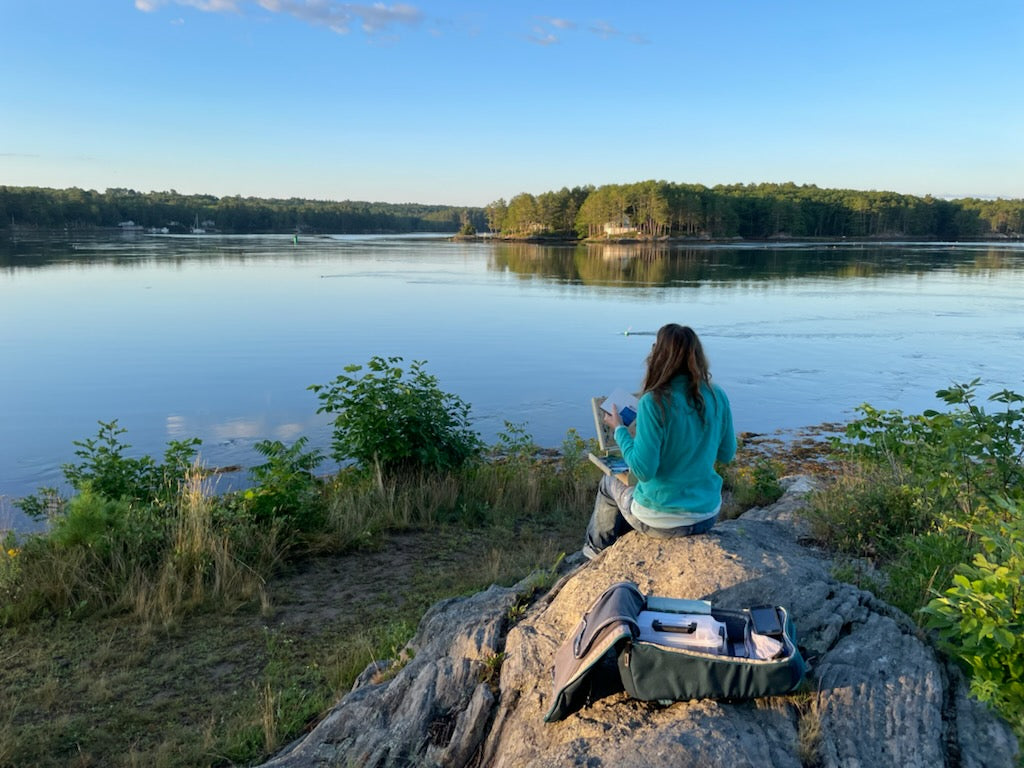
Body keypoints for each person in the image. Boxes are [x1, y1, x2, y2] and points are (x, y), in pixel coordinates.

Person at [583, 323, 736, 559]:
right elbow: (727, 454)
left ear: (659, 356)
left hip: (661, 521)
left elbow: (643, 471)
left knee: (608, 483)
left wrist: (620, 431)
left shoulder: (653, 402)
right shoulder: (717, 395)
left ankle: (595, 556)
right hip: (706, 515)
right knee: (631, 489)